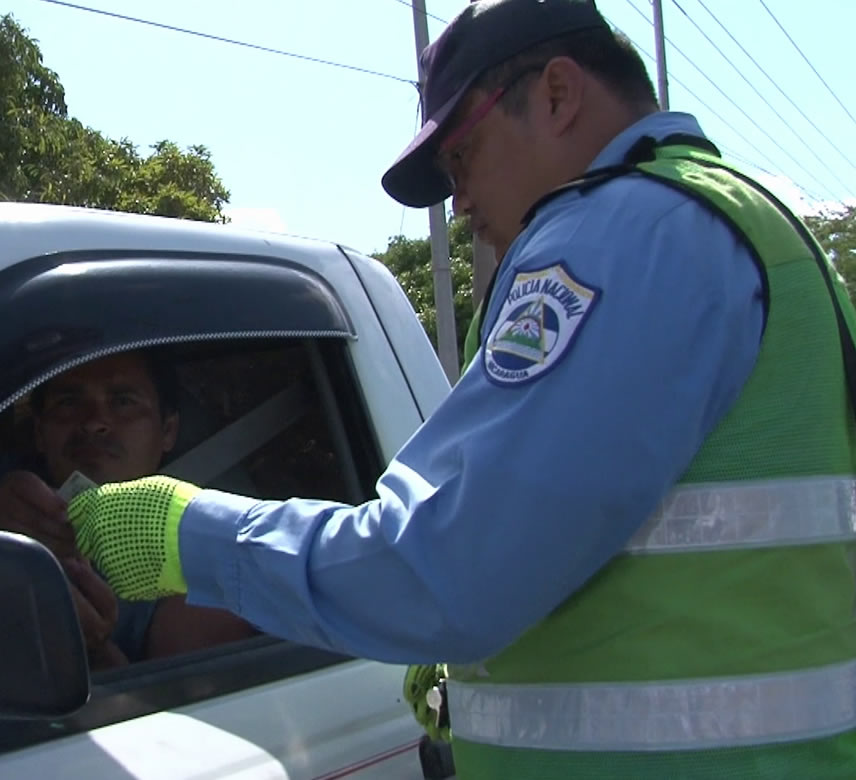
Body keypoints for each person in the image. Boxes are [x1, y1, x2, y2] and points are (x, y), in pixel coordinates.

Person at [65, 0, 856, 777]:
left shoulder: (619, 234)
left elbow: (444, 571)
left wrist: (183, 533)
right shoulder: (742, 221)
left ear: (556, 94)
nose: (461, 203)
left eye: (462, 160)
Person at [0, 349, 255, 669]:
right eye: (68, 402)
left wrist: (91, 648)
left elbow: (172, 728)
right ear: (39, 432)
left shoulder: (200, 561)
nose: (94, 421)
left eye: (123, 401)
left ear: (168, 431)